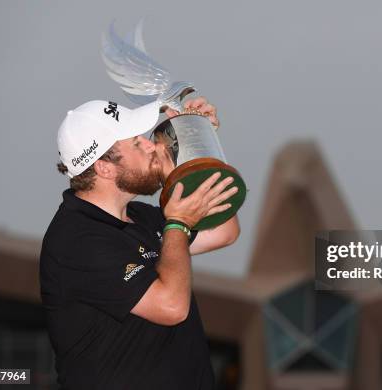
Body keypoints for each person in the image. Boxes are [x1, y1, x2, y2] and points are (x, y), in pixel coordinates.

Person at [40, 97, 239, 389]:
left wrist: (197, 141)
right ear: (105, 168)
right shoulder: (75, 240)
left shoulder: (140, 217)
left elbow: (224, 229)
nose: (151, 145)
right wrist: (178, 223)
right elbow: (171, 306)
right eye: (136, 143)